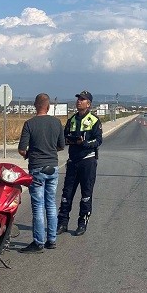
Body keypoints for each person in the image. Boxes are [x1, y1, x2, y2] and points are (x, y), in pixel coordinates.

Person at [17, 93, 65, 253]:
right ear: (48, 107)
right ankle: (52, 240)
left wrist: (29, 154)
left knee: (38, 206)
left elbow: (21, 149)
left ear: (35, 106)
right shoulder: (57, 123)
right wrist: (50, 150)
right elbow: (61, 146)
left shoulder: (29, 124)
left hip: (37, 168)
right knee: (51, 204)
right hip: (53, 168)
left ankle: (38, 242)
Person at [57, 90, 102, 236]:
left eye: (82, 99)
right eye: (78, 99)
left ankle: (82, 223)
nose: (79, 101)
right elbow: (64, 137)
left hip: (88, 161)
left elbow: (98, 140)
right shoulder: (72, 120)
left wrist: (84, 143)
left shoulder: (94, 120)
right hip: (73, 161)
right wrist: (68, 141)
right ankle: (62, 222)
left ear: (88, 104)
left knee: (86, 194)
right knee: (66, 193)